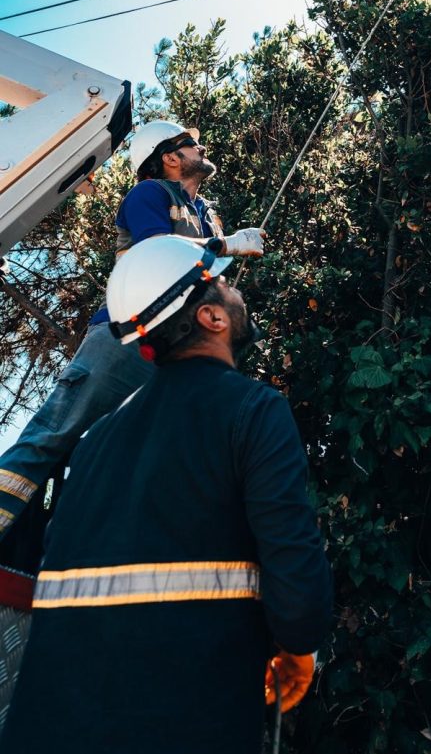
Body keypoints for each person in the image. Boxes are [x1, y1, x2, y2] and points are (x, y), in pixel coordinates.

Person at [0, 234, 333, 753]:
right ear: (212, 319)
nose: (233, 289)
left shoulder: (92, 443)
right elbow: (295, 579)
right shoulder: (253, 411)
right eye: (222, 282)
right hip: (184, 725)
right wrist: (299, 647)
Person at [0, 120, 265, 544]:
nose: (201, 147)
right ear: (171, 158)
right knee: (52, 435)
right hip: (125, 338)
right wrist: (229, 245)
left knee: (147, 465)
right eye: (192, 144)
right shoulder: (150, 194)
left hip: (174, 351)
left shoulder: (204, 214)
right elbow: (159, 253)